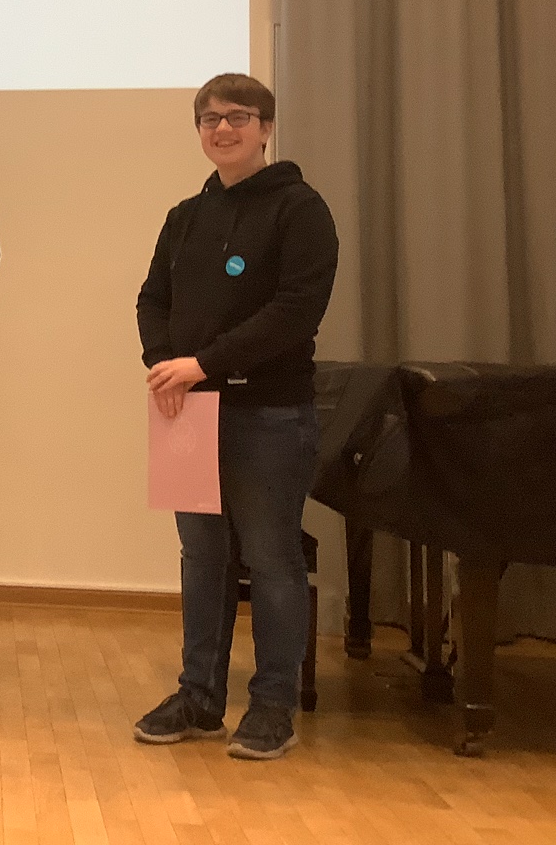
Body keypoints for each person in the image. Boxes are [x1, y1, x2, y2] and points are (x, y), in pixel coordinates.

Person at [133, 73, 338, 761]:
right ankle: (199, 698)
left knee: (272, 559)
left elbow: (294, 312)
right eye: (210, 119)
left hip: (269, 414)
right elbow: (151, 299)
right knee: (202, 559)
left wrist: (202, 364)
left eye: (238, 117)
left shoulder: (300, 209)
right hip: (187, 411)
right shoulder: (185, 216)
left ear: (266, 128)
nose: (223, 129)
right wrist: (164, 364)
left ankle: (273, 706)